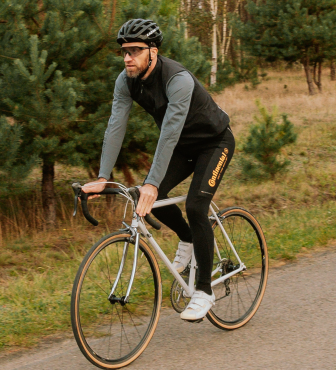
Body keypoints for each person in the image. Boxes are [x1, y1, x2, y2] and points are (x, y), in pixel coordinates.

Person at [82, 17, 236, 320]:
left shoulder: (178, 79)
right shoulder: (126, 81)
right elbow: (115, 127)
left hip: (214, 143)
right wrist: (102, 177)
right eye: (124, 51)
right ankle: (188, 239)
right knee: (147, 192)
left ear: (153, 51)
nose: (128, 57)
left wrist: (153, 182)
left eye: (136, 50)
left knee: (195, 205)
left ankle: (204, 291)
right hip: (182, 148)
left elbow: (169, 132)